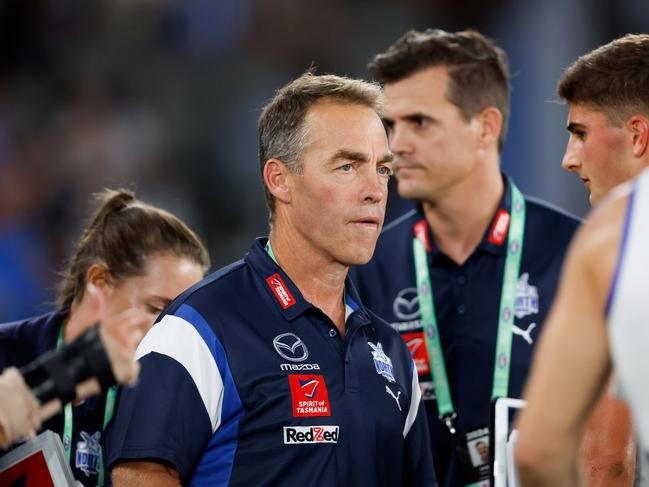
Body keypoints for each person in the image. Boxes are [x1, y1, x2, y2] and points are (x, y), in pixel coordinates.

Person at [105, 71, 436, 486]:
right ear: (280, 180)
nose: (375, 189)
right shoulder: (198, 328)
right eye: (348, 165)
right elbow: (138, 475)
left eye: (383, 169)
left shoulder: (392, 352)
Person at [349, 29, 580, 487]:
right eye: (390, 126)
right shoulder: (366, 266)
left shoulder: (574, 254)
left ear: (485, 127)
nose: (396, 148)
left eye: (420, 122)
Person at [0, 188, 209, 486]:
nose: (171, 332)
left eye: (183, 318)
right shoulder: (8, 351)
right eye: (156, 309)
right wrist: (72, 370)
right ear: (99, 281)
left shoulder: (160, 399)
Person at [515, 33, 649, 486]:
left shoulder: (614, 239)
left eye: (580, 133)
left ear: (636, 135)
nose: (568, 160)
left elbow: (588, 460)